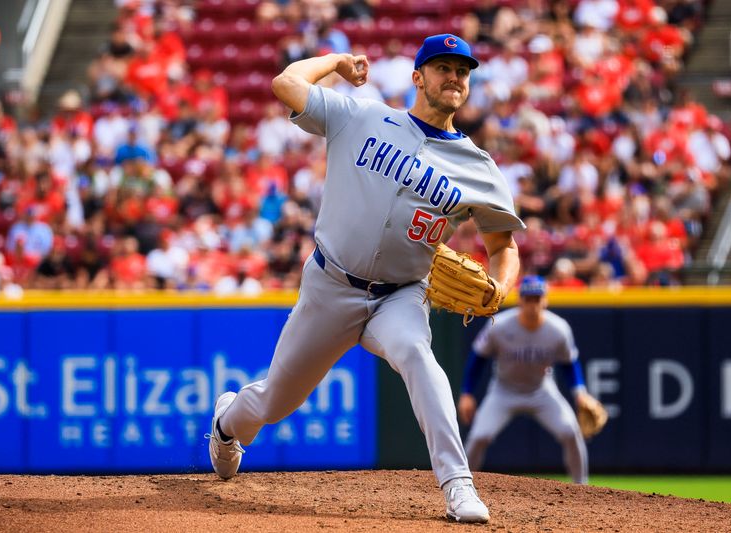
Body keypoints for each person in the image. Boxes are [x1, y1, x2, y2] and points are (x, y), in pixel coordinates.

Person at [206, 34, 525, 523]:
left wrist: (501, 286)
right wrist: (335, 61)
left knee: (419, 357)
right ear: (418, 77)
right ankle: (228, 425)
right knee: (275, 401)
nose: (454, 78)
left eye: (462, 71)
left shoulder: (478, 168)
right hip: (330, 288)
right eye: (443, 68)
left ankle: (458, 485)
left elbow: (504, 246)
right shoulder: (364, 116)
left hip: (401, 296)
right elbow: (285, 83)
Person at [458, 276, 590, 484]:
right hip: (503, 391)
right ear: (520, 300)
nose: (532, 304)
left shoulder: (558, 329)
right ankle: (462, 484)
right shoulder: (499, 325)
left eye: (537, 299)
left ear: (545, 300)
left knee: (570, 432)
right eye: (528, 298)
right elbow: (478, 358)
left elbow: (569, 364)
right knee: (479, 437)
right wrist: (467, 393)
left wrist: (580, 392)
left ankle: (582, 487)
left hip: (541, 390)